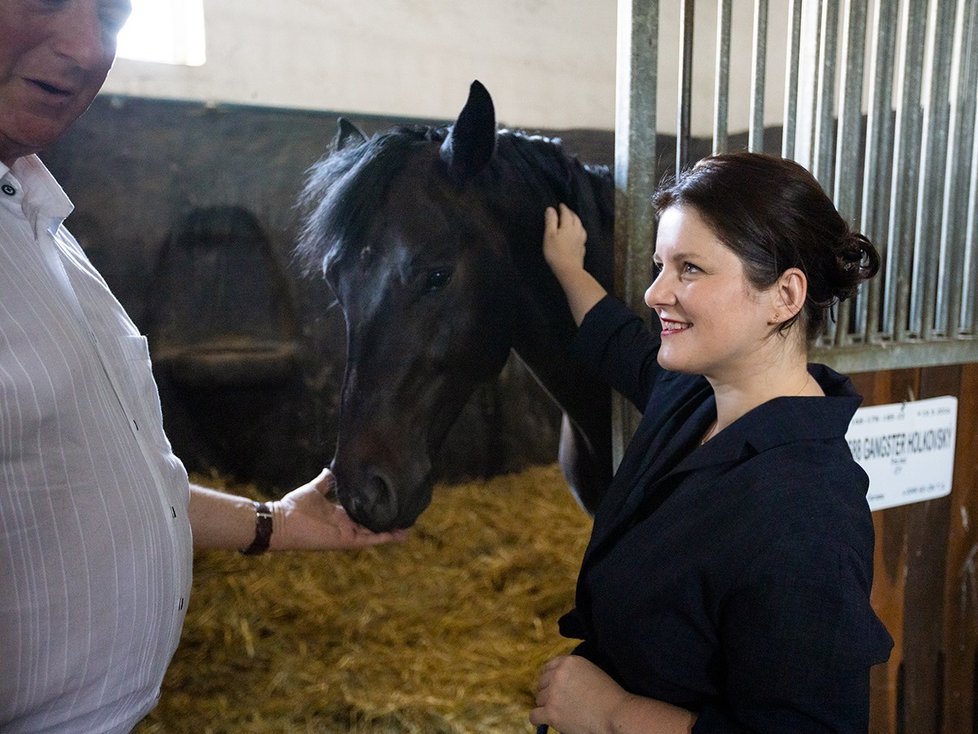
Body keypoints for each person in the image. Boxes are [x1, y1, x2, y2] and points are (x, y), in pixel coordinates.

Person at [0, 2, 406, 732]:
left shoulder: (33, 214)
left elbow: (92, 483)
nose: (90, 46)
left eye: (113, 13)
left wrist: (275, 521)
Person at [530, 152, 893, 733]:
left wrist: (614, 715)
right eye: (659, 265)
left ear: (784, 296)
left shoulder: (806, 512)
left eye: (690, 269)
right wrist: (566, 266)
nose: (654, 293)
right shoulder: (692, 397)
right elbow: (617, 341)